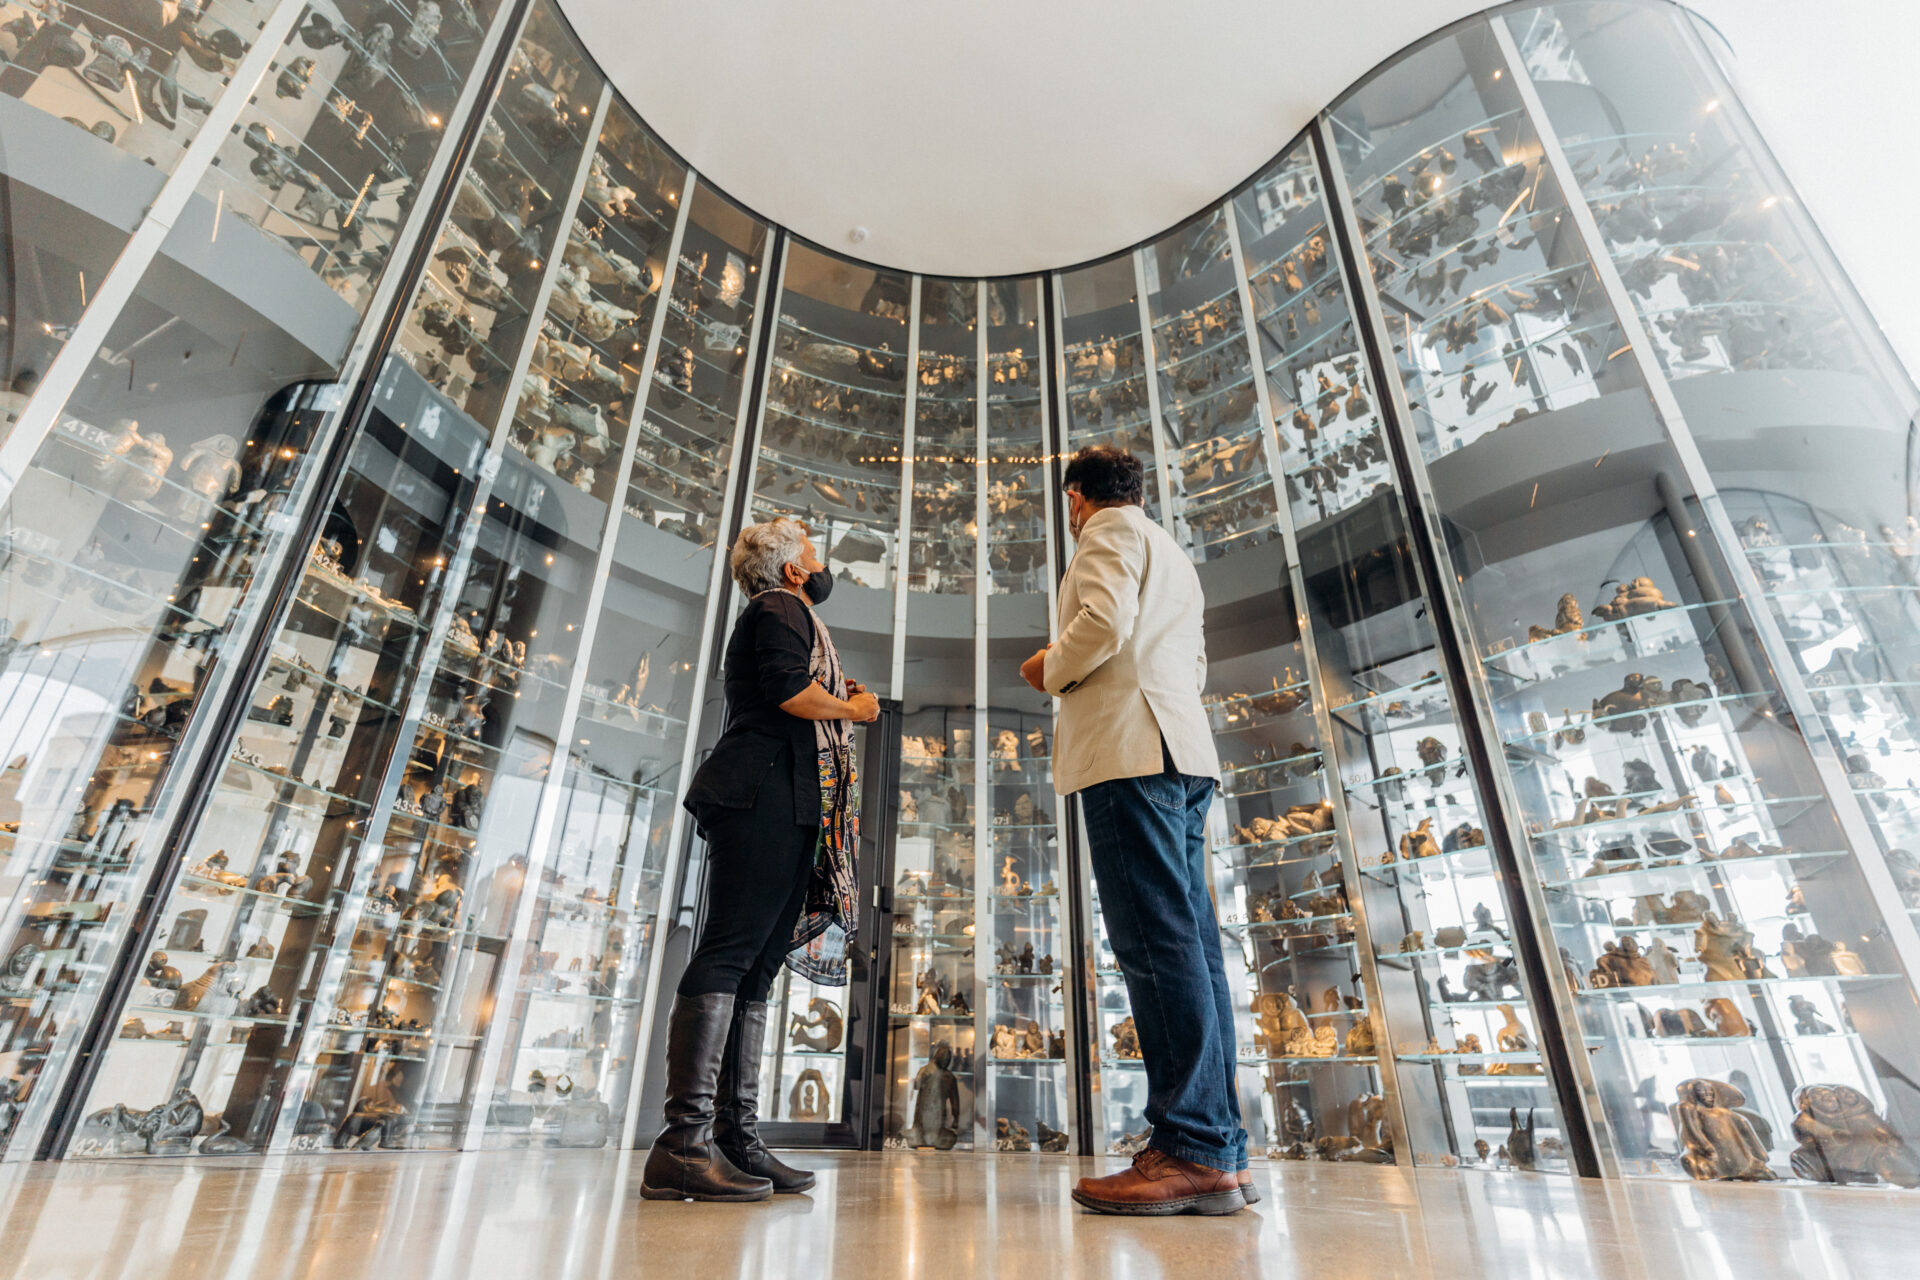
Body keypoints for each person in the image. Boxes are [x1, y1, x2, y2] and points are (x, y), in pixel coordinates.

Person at [1019, 445, 1247, 1215]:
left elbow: (1105, 619)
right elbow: (1199, 664)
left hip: (1128, 752)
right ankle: (1220, 1148)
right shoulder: (1173, 553)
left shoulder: (1106, 532)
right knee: (1192, 945)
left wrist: (1049, 666)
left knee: (1155, 943)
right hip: (1182, 750)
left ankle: (1186, 1146)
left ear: (1075, 498)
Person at [641, 518, 878, 1202]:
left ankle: (734, 1141)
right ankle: (683, 1144)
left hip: (791, 794)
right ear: (795, 571)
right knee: (731, 949)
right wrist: (855, 710)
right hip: (761, 791)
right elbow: (787, 692)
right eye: (812, 551)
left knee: (760, 963)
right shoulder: (778, 607)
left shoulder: (791, 611)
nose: (820, 561)